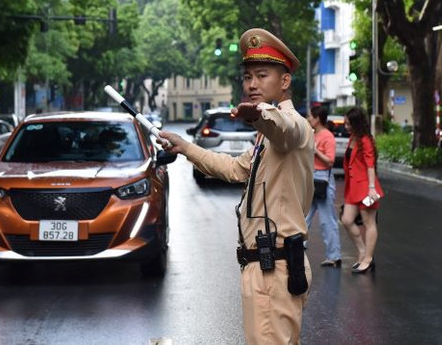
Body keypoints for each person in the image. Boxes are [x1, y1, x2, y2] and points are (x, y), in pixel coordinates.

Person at [158, 28, 314, 345]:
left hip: (275, 267)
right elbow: (233, 168)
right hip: (266, 268)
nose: (252, 84)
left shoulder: (293, 127)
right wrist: (185, 147)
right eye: (247, 77)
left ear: (284, 81)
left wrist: (259, 114)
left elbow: (284, 126)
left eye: (261, 75)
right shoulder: (267, 139)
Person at [340, 106, 383, 274]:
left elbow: (370, 164)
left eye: (349, 123)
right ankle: (362, 252)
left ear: (356, 123)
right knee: (347, 220)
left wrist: (372, 188)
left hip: (366, 187)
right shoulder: (353, 137)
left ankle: (368, 259)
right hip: (354, 186)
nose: (346, 126)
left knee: (369, 223)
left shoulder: (365, 139)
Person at [304, 105, 341, 268]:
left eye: (310, 117)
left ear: (317, 118)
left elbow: (330, 161)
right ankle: (296, 248)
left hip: (322, 179)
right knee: (302, 217)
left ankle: (334, 256)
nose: (308, 119)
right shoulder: (312, 134)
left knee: (327, 220)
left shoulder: (327, 136)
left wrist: (315, 151)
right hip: (310, 177)